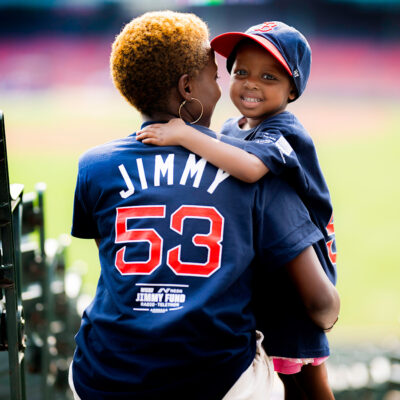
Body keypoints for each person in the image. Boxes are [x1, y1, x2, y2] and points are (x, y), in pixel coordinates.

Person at [69, 12, 340, 400]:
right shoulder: (259, 178)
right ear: (187, 88)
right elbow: (322, 305)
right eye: (220, 76)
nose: (227, 85)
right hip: (216, 379)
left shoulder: (93, 167)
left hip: (101, 376)